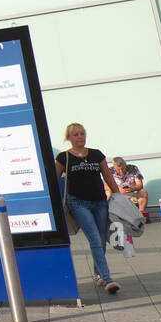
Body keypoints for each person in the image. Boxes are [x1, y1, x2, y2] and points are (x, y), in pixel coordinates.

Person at [55, 122, 121, 295]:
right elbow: (54, 179)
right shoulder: (64, 157)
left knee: (100, 239)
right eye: (75, 134)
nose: (79, 137)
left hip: (100, 201)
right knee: (94, 238)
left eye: (82, 134)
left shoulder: (96, 154)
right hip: (78, 203)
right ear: (68, 138)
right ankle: (108, 279)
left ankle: (98, 273)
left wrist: (118, 195)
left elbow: (108, 176)